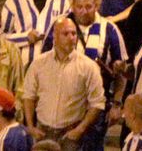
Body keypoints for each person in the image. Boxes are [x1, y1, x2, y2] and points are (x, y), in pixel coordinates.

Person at [20, 15, 106, 151]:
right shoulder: (39, 63)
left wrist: (79, 130)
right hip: (43, 131)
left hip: (70, 134)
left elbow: (97, 103)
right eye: (65, 33)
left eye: (73, 33)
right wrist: (31, 126)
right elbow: (28, 96)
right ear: (55, 36)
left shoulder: (88, 66)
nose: (71, 37)